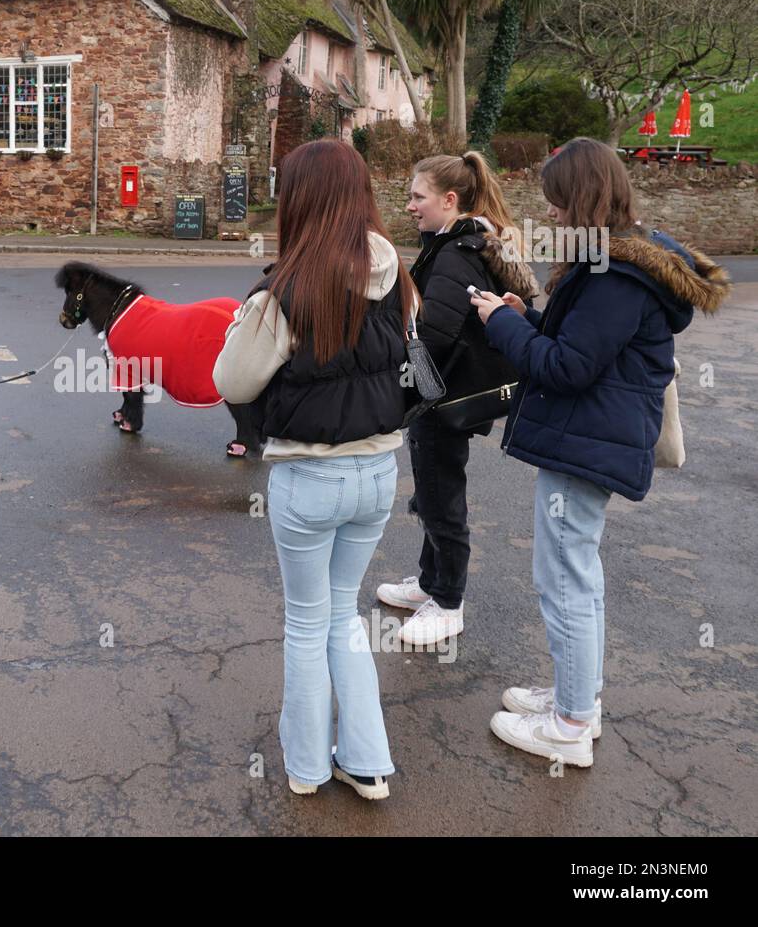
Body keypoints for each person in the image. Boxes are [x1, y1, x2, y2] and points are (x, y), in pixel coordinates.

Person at [470, 137, 729, 767]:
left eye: (558, 202)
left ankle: (570, 725)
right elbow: (575, 346)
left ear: (582, 198)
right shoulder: (615, 261)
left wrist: (500, 327)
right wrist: (521, 316)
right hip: (588, 436)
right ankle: (574, 695)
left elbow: (567, 368)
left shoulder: (616, 275)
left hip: (586, 440)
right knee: (573, 575)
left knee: (565, 580)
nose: (551, 214)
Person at [214, 140, 418, 799]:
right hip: (379, 471)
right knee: (344, 614)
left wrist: (241, 325)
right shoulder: (397, 277)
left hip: (309, 477)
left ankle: (305, 766)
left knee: (308, 621)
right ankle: (366, 761)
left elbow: (232, 381)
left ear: (299, 200)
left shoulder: (284, 290)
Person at [375, 153, 539, 645]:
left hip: (441, 399)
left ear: (450, 200)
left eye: (417, 197)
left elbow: (433, 335)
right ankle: (431, 582)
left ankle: (448, 601)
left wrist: (400, 390)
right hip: (449, 394)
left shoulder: (454, 252)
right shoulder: (464, 242)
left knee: (441, 495)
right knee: (433, 488)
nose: (409, 206)